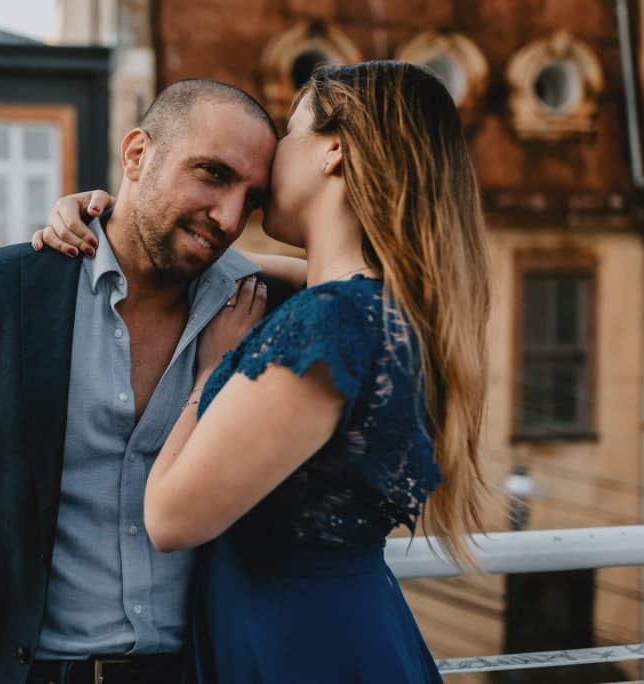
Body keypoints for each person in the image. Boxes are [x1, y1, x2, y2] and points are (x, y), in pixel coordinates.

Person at [35, 60, 491, 682]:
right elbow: (271, 270)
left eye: (291, 133)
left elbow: (170, 518)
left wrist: (213, 372)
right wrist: (115, 222)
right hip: (345, 631)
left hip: (295, 647)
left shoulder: (330, 323)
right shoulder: (391, 308)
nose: (274, 160)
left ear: (334, 151)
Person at [0, 79, 285, 684]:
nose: (231, 217)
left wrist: (249, 264)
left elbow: (398, 277)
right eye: (212, 174)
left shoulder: (260, 307)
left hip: (194, 669)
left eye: (254, 199)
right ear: (137, 155)